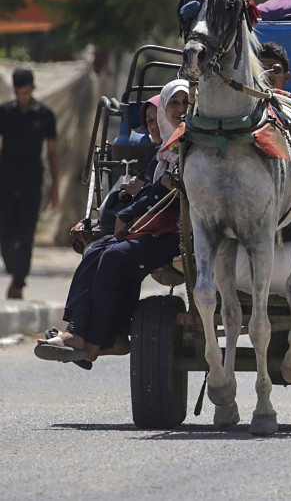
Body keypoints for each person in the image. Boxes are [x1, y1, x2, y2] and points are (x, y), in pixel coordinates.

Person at [34, 81, 189, 368]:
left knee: (117, 257)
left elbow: (171, 192)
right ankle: (81, 331)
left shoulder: (188, 144)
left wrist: (130, 211)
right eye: (174, 104)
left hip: (178, 234)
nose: (180, 110)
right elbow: (156, 188)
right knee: (96, 251)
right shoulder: (163, 152)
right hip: (152, 228)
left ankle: (91, 345)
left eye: (185, 103)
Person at [0, 68, 59, 300]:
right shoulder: (5, 112)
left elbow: (53, 153)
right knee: (5, 233)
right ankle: (15, 270)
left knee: (25, 234)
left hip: (32, 182)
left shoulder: (45, 115)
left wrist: (55, 187)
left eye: (26, 92)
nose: (22, 96)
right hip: (6, 181)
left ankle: (18, 282)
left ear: (33, 89)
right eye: (18, 92)